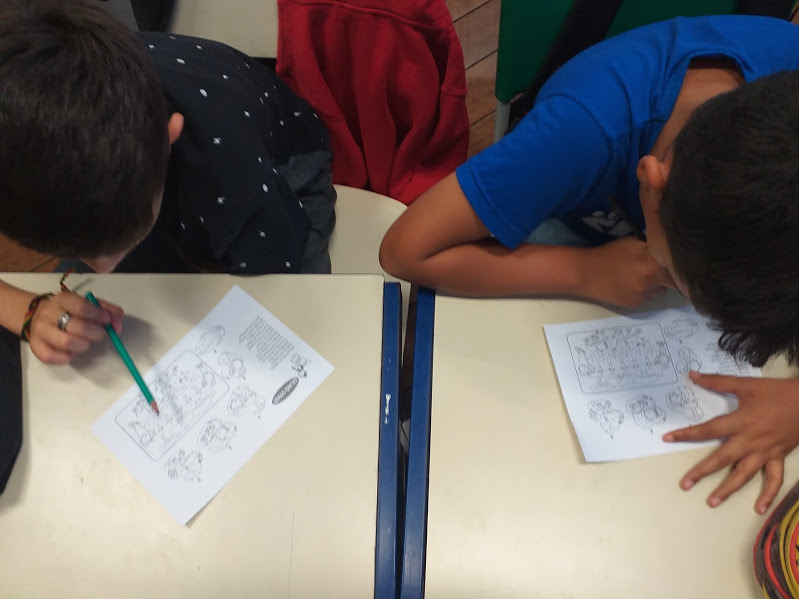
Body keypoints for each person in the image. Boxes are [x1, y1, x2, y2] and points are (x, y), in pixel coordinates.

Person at [380, 14, 799, 514]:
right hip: (582, 210)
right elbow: (405, 250)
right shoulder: (580, 130)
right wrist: (584, 273)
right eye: (676, 279)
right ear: (652, 183)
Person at [0, 0, 335, 363]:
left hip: (282, 164)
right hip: (151, 174)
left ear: (170, 134)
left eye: (117, 244)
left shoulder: (231, 169)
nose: (102, 268)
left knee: (292, 326)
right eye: (86, 249)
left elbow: (281, 284)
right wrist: (27, 310)